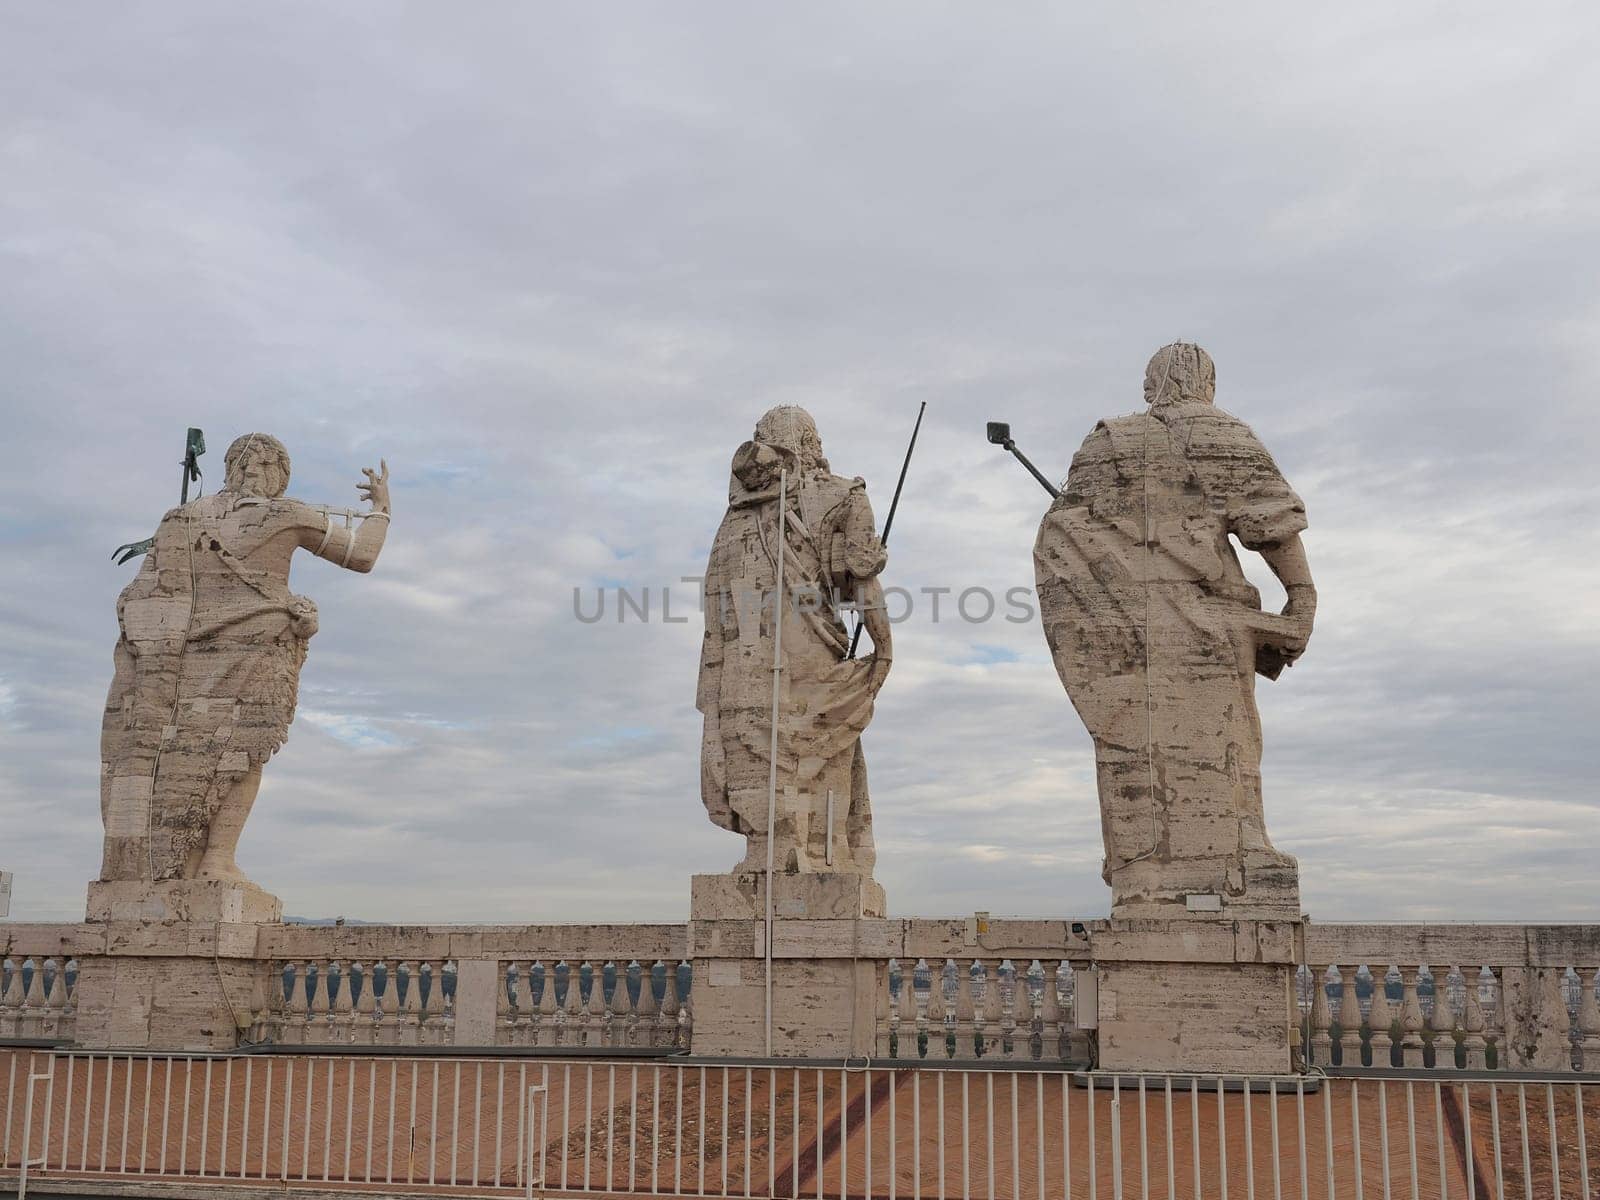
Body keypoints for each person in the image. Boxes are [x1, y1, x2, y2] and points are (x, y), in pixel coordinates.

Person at [1034, 344, 1315, 916]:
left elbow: (1066, 531)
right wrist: (1301, 596)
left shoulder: (1106, 443)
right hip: (1203, 624)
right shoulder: (1220, 434)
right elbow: (1270, 522)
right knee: (1227, 740)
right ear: (1206, 382)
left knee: (1136, 743)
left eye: (1146, 381)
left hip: (1130, 629)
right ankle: (1235, 854)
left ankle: (1148, 873)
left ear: (1154, 384)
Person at [99, 433, 390, 884]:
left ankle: (176, 866)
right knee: (243, 753)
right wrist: (382, 509)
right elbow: (362, 555)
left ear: (231, 469)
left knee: (182, 756)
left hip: (179, 662)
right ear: (278, 475)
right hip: (259, 653)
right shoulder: (286, 513)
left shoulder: (182, 519)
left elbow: (143, 596)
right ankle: (216, 859)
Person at [697, 406, 892, 873]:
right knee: (823, 742)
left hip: (743, 665)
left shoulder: (731, 522)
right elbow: (862, 578)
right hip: (810, 657)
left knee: (753, 743)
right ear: (811, 445)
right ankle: (826, 854)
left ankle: (770, 851)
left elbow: (718, 613)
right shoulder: (841, 495)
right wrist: (884, 648)